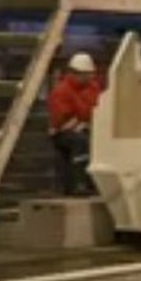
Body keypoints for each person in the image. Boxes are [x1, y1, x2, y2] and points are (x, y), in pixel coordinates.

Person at [47, 52, 103, 196]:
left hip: (86, 126)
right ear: (74, 73)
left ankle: (96, 183)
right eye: (84, 75)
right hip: (62, 132)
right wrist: (81, 123)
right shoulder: (61, 91)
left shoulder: (93, 88)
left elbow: (99, 107)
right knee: (80, 142)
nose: (88, 78)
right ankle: (79, 183)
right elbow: (62, 119)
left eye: (89, 74)